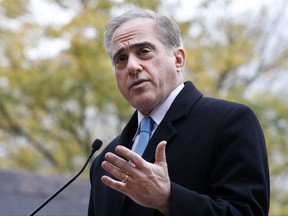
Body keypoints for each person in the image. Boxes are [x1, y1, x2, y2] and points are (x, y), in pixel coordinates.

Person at [88, 9, 270, 216]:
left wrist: (168, 199)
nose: (132, 66)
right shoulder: (104, 161)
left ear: (178, 59)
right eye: (120, 59)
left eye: (144, 51)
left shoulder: (229, 122)